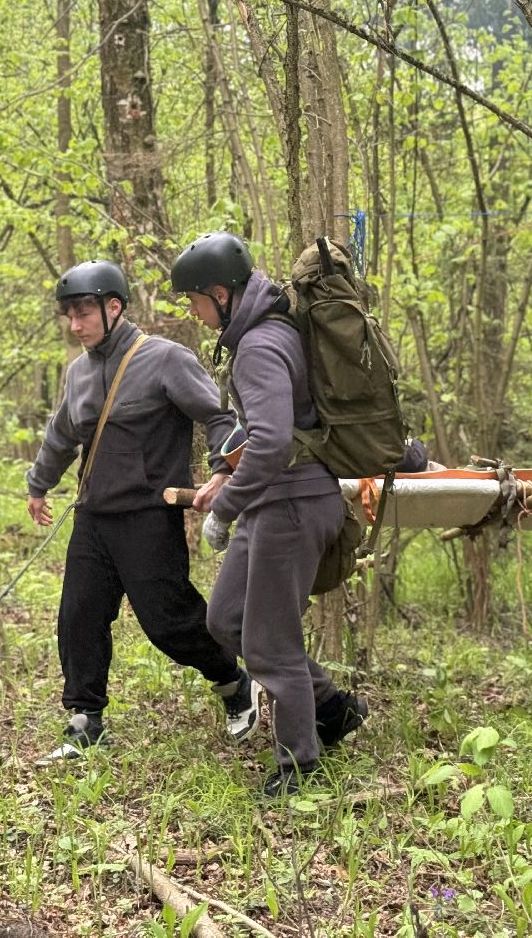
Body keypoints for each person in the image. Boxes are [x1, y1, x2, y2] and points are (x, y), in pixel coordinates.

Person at [26, 259, 259, 763]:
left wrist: (223, 471)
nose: (75, 324)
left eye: (83, 311)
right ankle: (85, 720)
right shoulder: (78, 373)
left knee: (169, 622)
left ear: (114, 307)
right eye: (68, 314)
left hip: (149, 517)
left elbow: (220, 416)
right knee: (78, 617)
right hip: (93, 517)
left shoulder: (163, 358)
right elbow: (62, 436)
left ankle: (233, 681)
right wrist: (39, 485)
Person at [171, 231, 367, 797]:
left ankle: (298, 762)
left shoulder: (258, 346)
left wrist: (223, 508)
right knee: (226, 620)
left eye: (195, 300)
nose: (193, 311)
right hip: (273, 502)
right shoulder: (264, 335)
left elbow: (273, 442)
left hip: (293, 505)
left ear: (219, 293)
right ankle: (330, 707)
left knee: (269, 645)